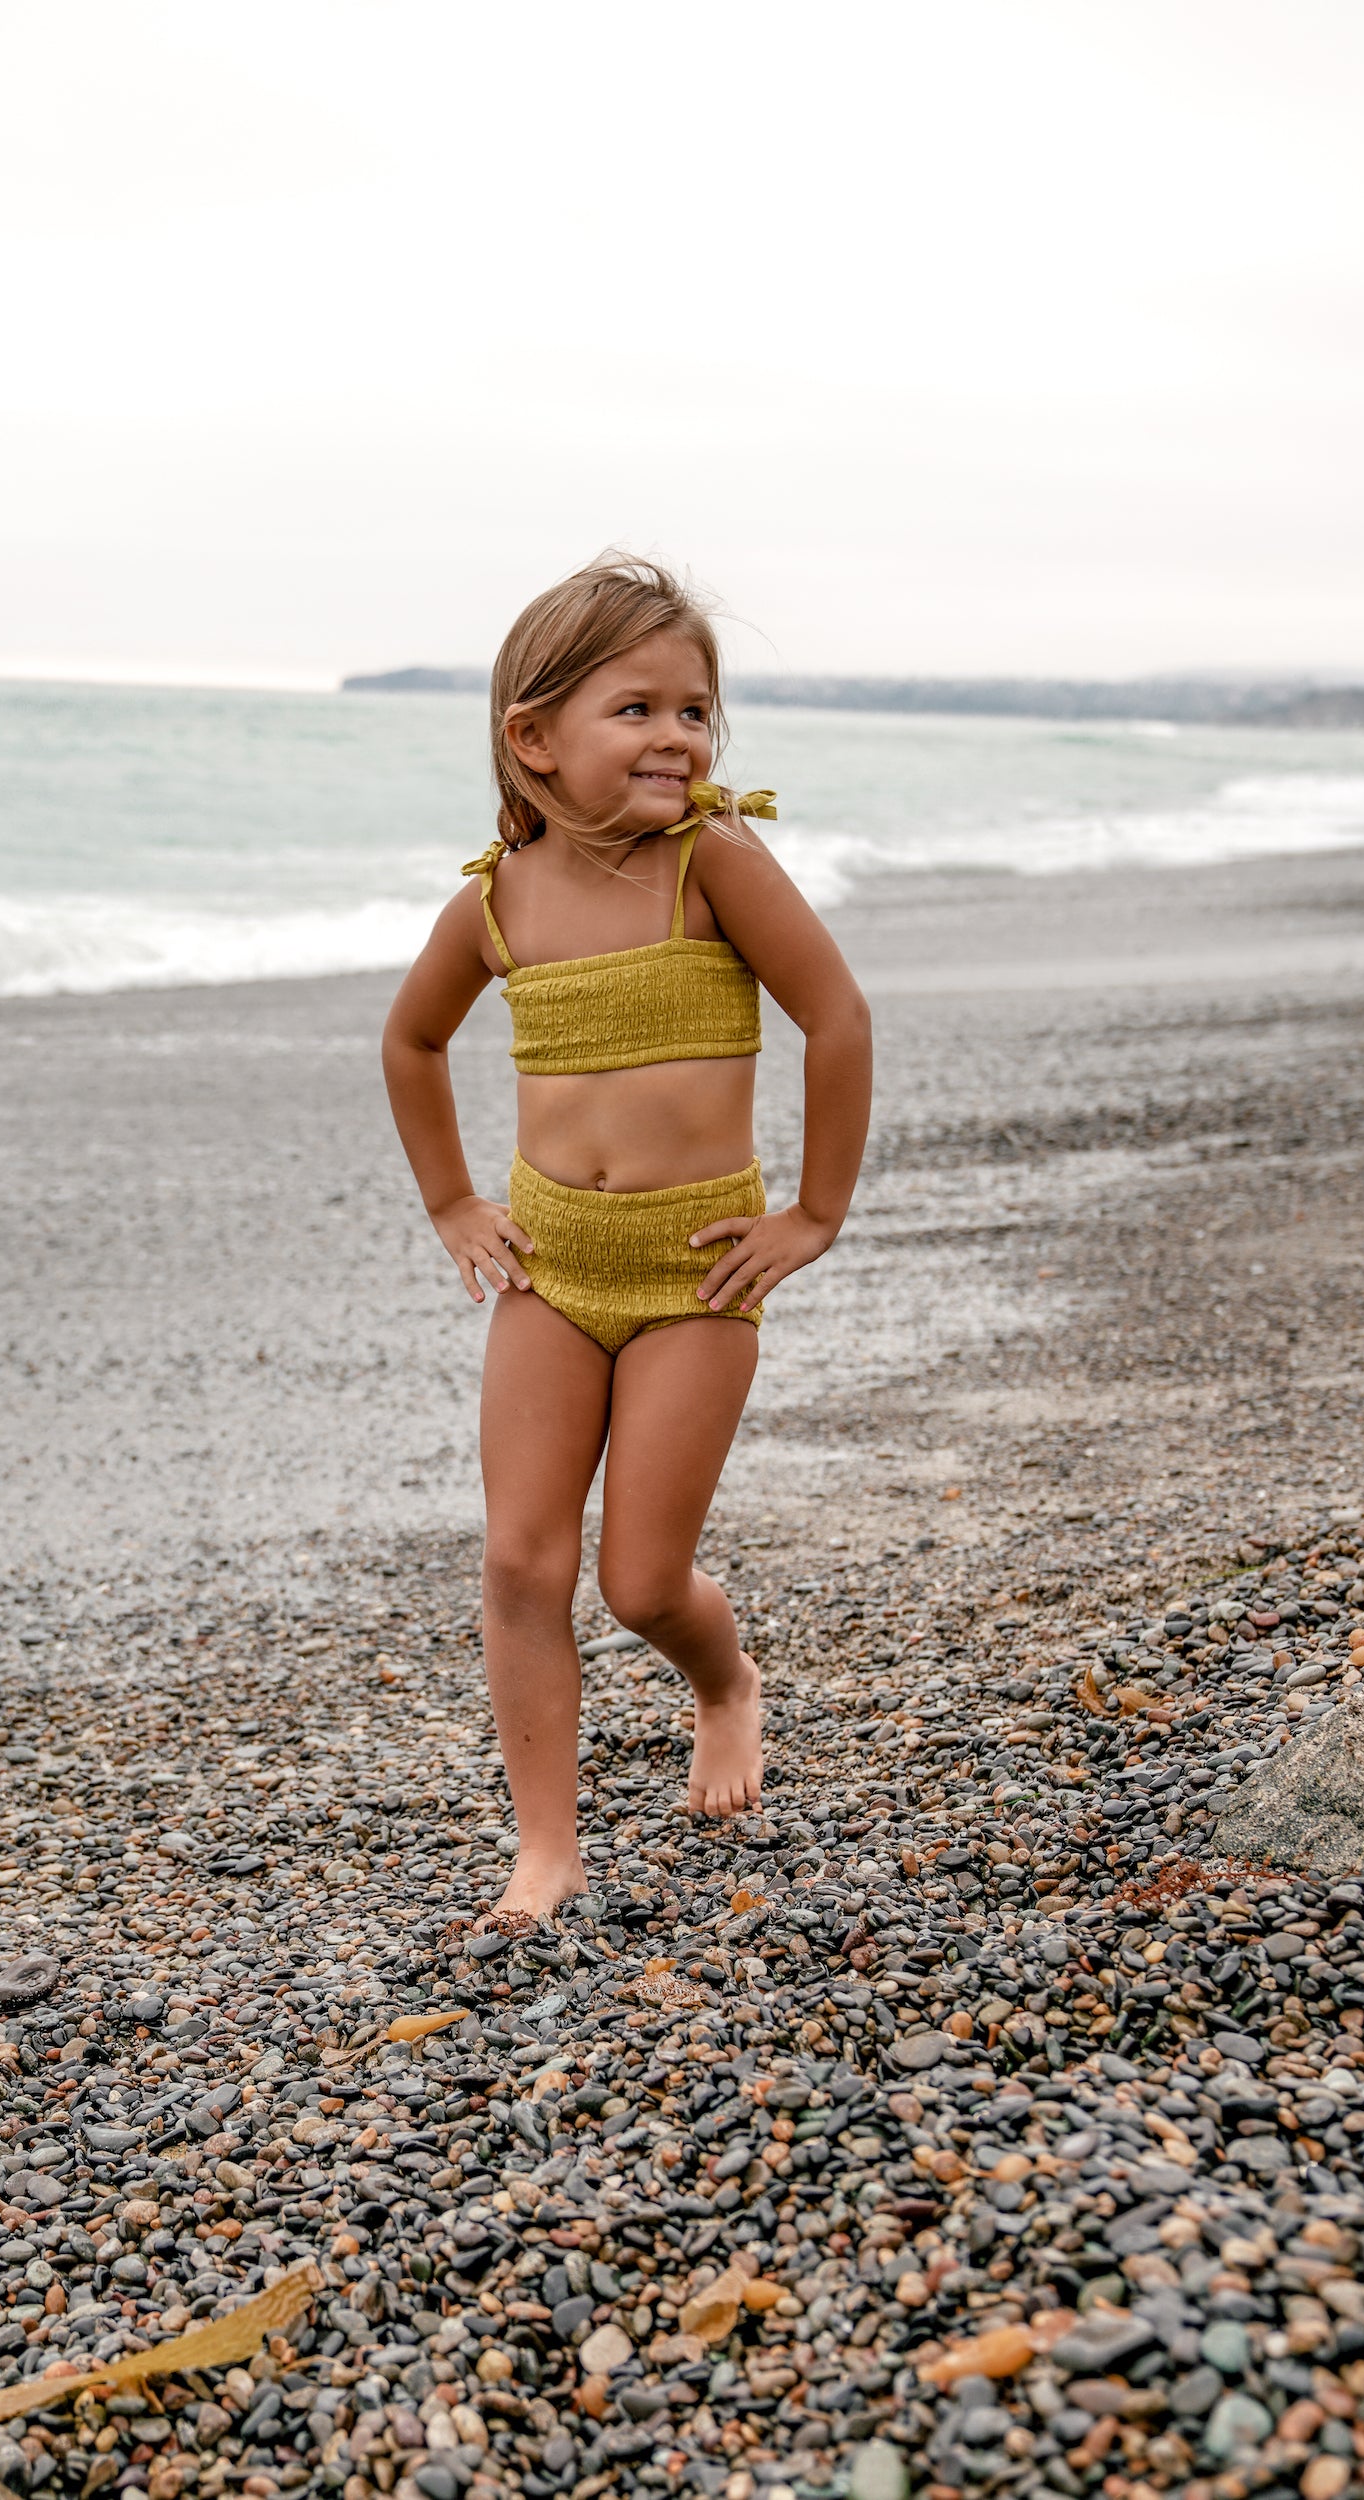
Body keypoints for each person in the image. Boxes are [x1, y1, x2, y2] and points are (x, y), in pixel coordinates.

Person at [381, 555, 872, 1925]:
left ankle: (726, 1685)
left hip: (695, 1274)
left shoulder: (713, 864)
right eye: (638, 708)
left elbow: (838, 1017)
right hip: (550, 1271)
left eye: (696, 712)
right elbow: (411, 1040)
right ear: (533, 738)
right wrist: (453, 1203)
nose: (677, 738)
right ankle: (547, 1848)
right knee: (520, 1562)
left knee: (640, 1577)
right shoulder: (499, 901)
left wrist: (813, 1215)